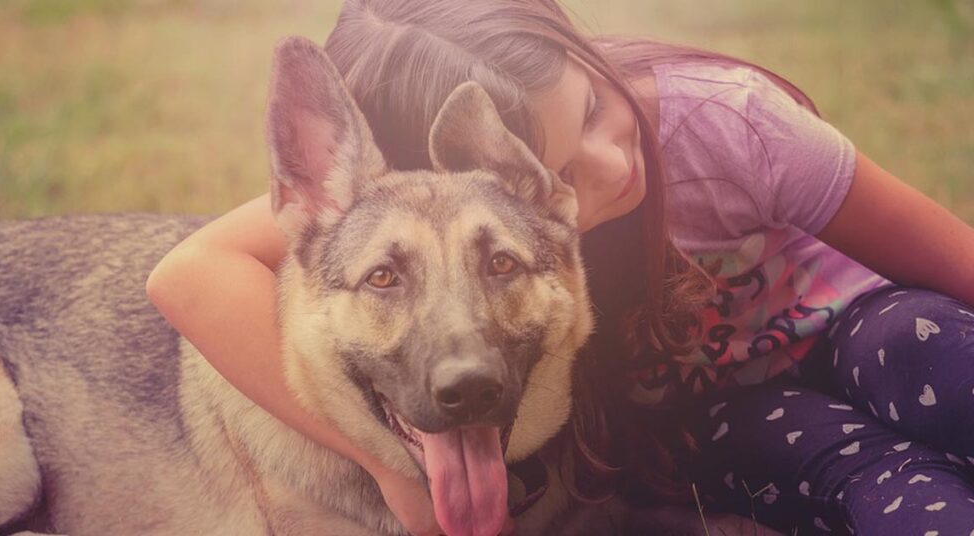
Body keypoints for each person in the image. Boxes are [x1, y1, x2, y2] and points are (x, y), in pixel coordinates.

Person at [145, 0, 974, 534]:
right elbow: (190, 273)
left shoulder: (725, 122)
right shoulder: (400, 201)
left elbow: (950, 258)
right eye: (563, 169)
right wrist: (379, 464)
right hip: (730, 410)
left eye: (596, 110)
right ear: (449, 164)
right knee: (873, 477)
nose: (609, 166)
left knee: (930, 350)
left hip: (865, 326)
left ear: (580, 48)